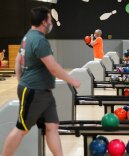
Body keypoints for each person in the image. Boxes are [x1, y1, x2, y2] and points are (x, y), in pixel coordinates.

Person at [1, 6, 80, 156]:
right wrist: (72, 81)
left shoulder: (27, 36)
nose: (51, 23)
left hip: (44, 92)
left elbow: (18, 61)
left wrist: (21, 81)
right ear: (44, 22)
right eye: (50, 20)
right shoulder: (38, 40)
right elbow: (53, 67)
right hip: (34, 91)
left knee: (52, 126)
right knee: (21, 128)